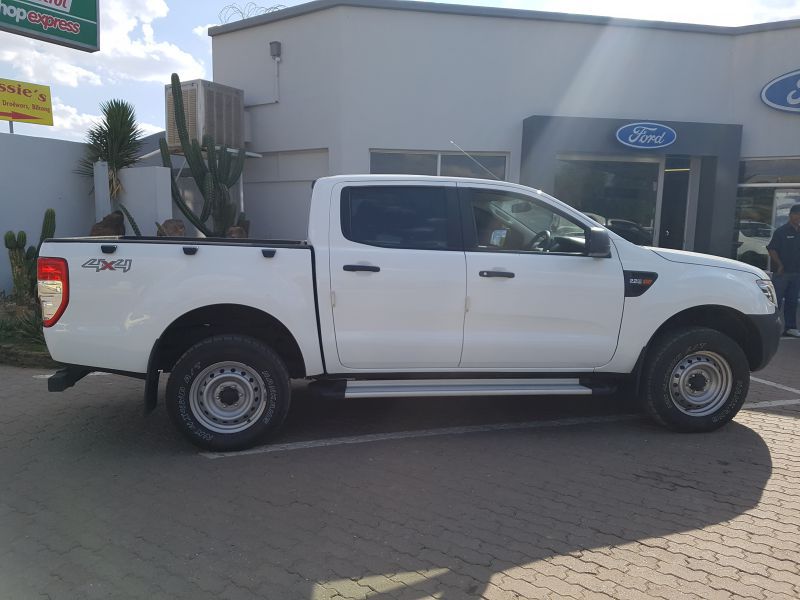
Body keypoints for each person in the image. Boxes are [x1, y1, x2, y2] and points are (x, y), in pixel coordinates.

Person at [767, 204, 800, 336]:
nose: (799, 218)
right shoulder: (781, 231)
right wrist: (779, 265)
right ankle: (771, 327)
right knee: (776, 301)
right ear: (791, 215)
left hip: (796, 273)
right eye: (797, 215)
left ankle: (790, 328)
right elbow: (771, 249)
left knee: (792, 301)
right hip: (782, 274)